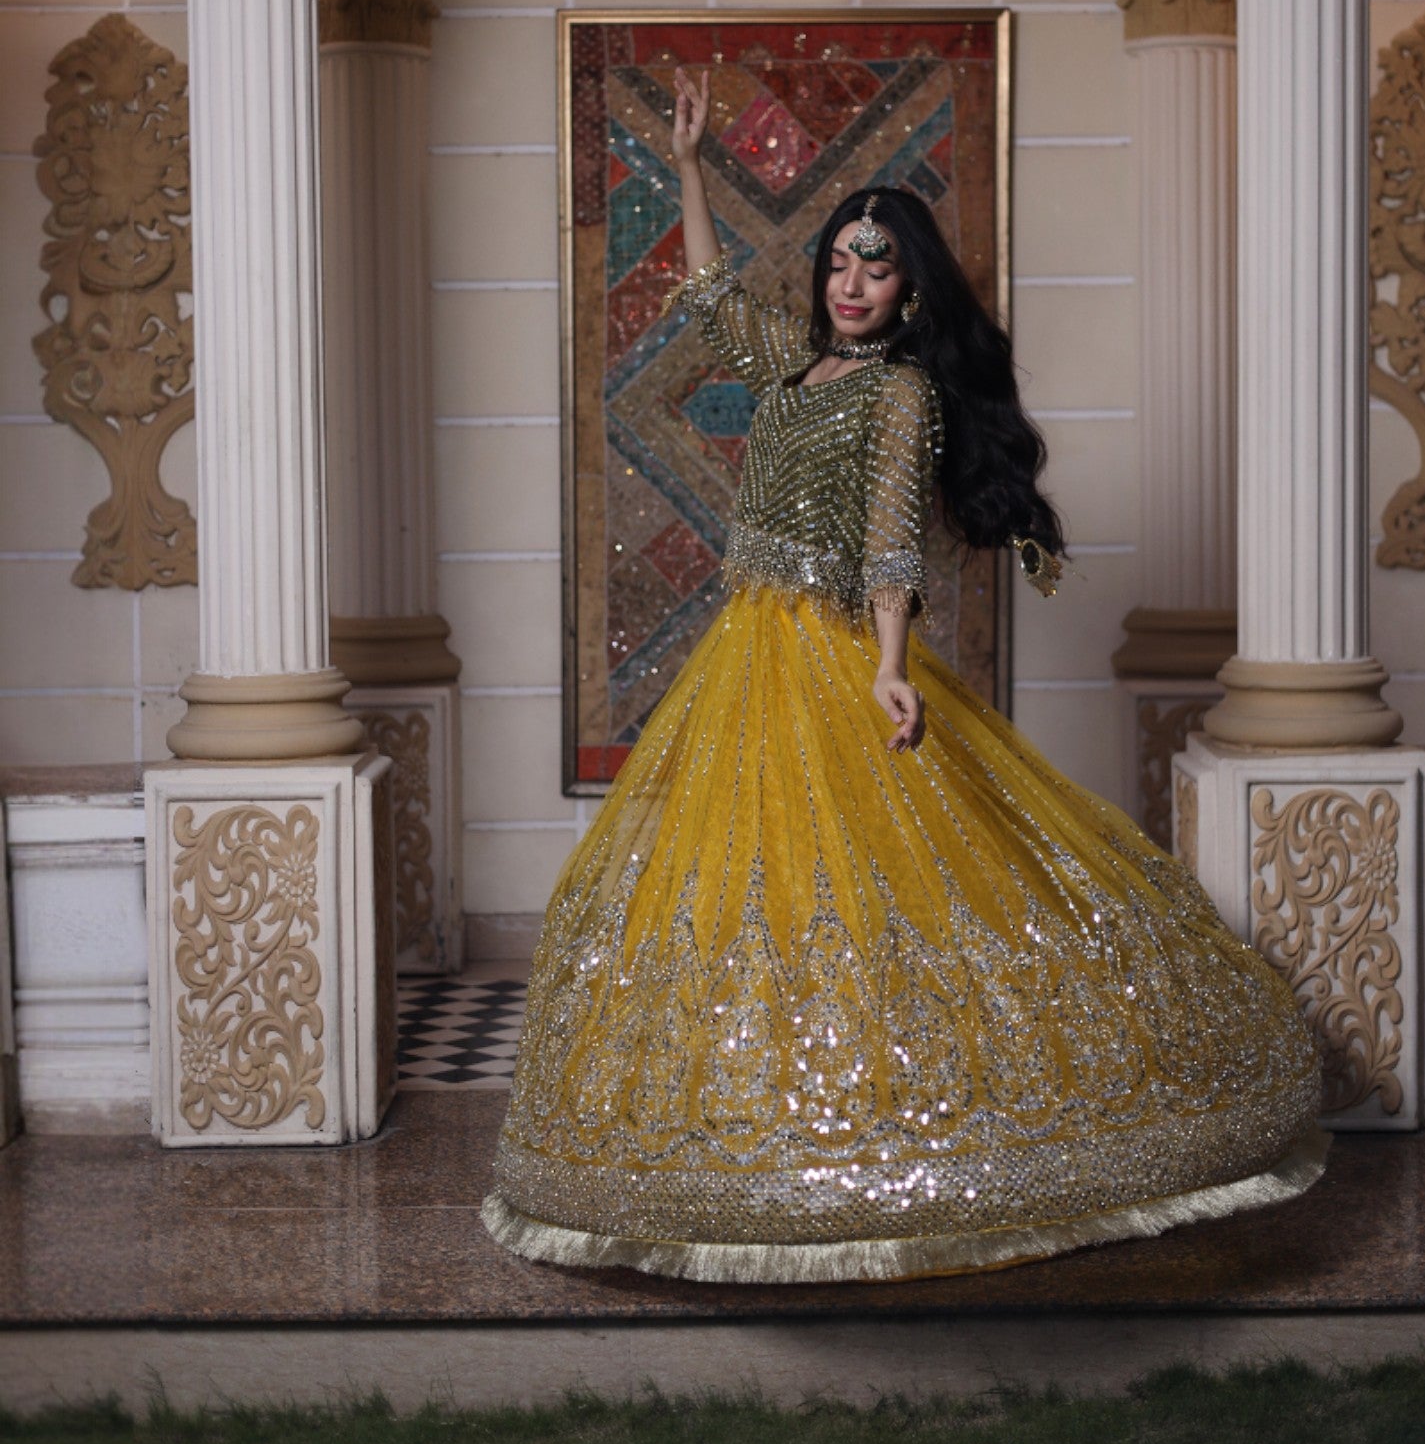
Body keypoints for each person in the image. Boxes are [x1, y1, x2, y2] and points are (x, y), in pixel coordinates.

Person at [482, 67, 1327, 1284]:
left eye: (874, 267)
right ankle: (764, 1124)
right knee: (751, 888)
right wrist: (688, 169)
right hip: (743, 644)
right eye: (838, 261)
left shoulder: (903, 392)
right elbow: (712, 298)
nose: (850, 281)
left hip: (826, 649)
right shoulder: (793, 366)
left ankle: (906, 1137)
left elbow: (889, 536)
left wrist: (887, 665)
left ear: (910, 288)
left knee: (867, 884)